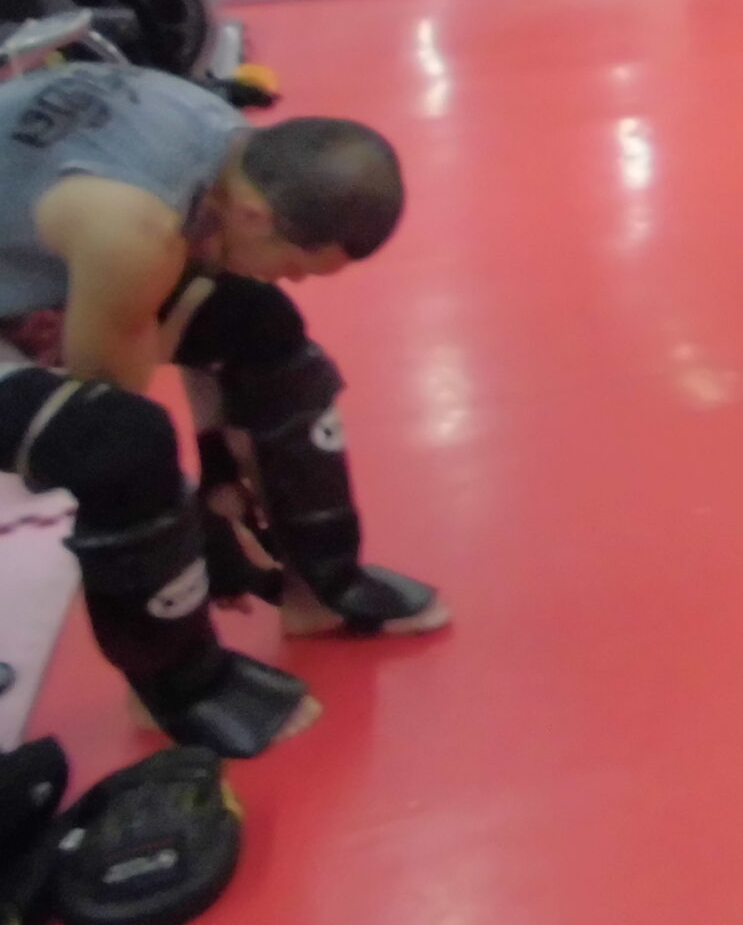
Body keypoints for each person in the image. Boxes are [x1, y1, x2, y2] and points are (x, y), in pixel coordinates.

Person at [0, 64, 443, 757]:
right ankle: (172, 686)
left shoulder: (225, 146)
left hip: (34, 268)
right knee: (118, 445)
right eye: (293, 263)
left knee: (258, 322)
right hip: (41, 284)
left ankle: (318, 586)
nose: (290, 277)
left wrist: (217, 467)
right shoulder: (135, 225)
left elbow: (184, 303)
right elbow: (107, 404)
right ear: (258, 216)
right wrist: (199, 532)